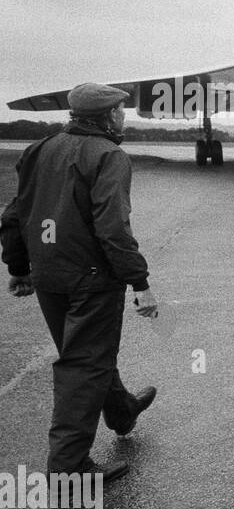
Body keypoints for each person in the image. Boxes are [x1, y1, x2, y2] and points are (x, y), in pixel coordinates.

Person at [1, 83, 158, 487]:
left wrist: (19, 266)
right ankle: (68, 469)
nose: (124, 117)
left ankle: (122, 410)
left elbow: (16, 213)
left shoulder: (38, 149)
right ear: (107, 117)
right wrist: (139, 282)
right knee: (84, 364)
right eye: (120, 112)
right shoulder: (109, 155)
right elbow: (113, 228)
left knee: (85, 355)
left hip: (49, 276)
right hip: (92, 281)